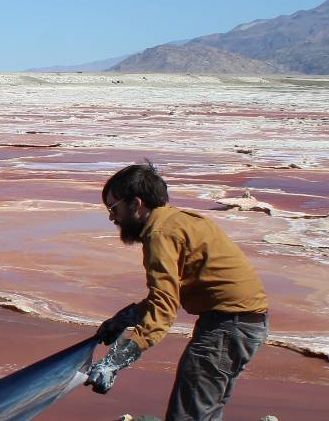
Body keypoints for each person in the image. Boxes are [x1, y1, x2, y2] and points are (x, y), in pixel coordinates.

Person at [84, 163, 269, 421]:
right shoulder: (177, 221)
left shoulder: (160, 233)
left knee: (188, 416)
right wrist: (128, 317)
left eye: (114, 208)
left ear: (136, 204)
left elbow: (164, 307)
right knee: (204, 411)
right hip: (242, 325)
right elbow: (168, 294)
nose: (112, 218)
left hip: (227, 327)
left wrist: (117, 359)